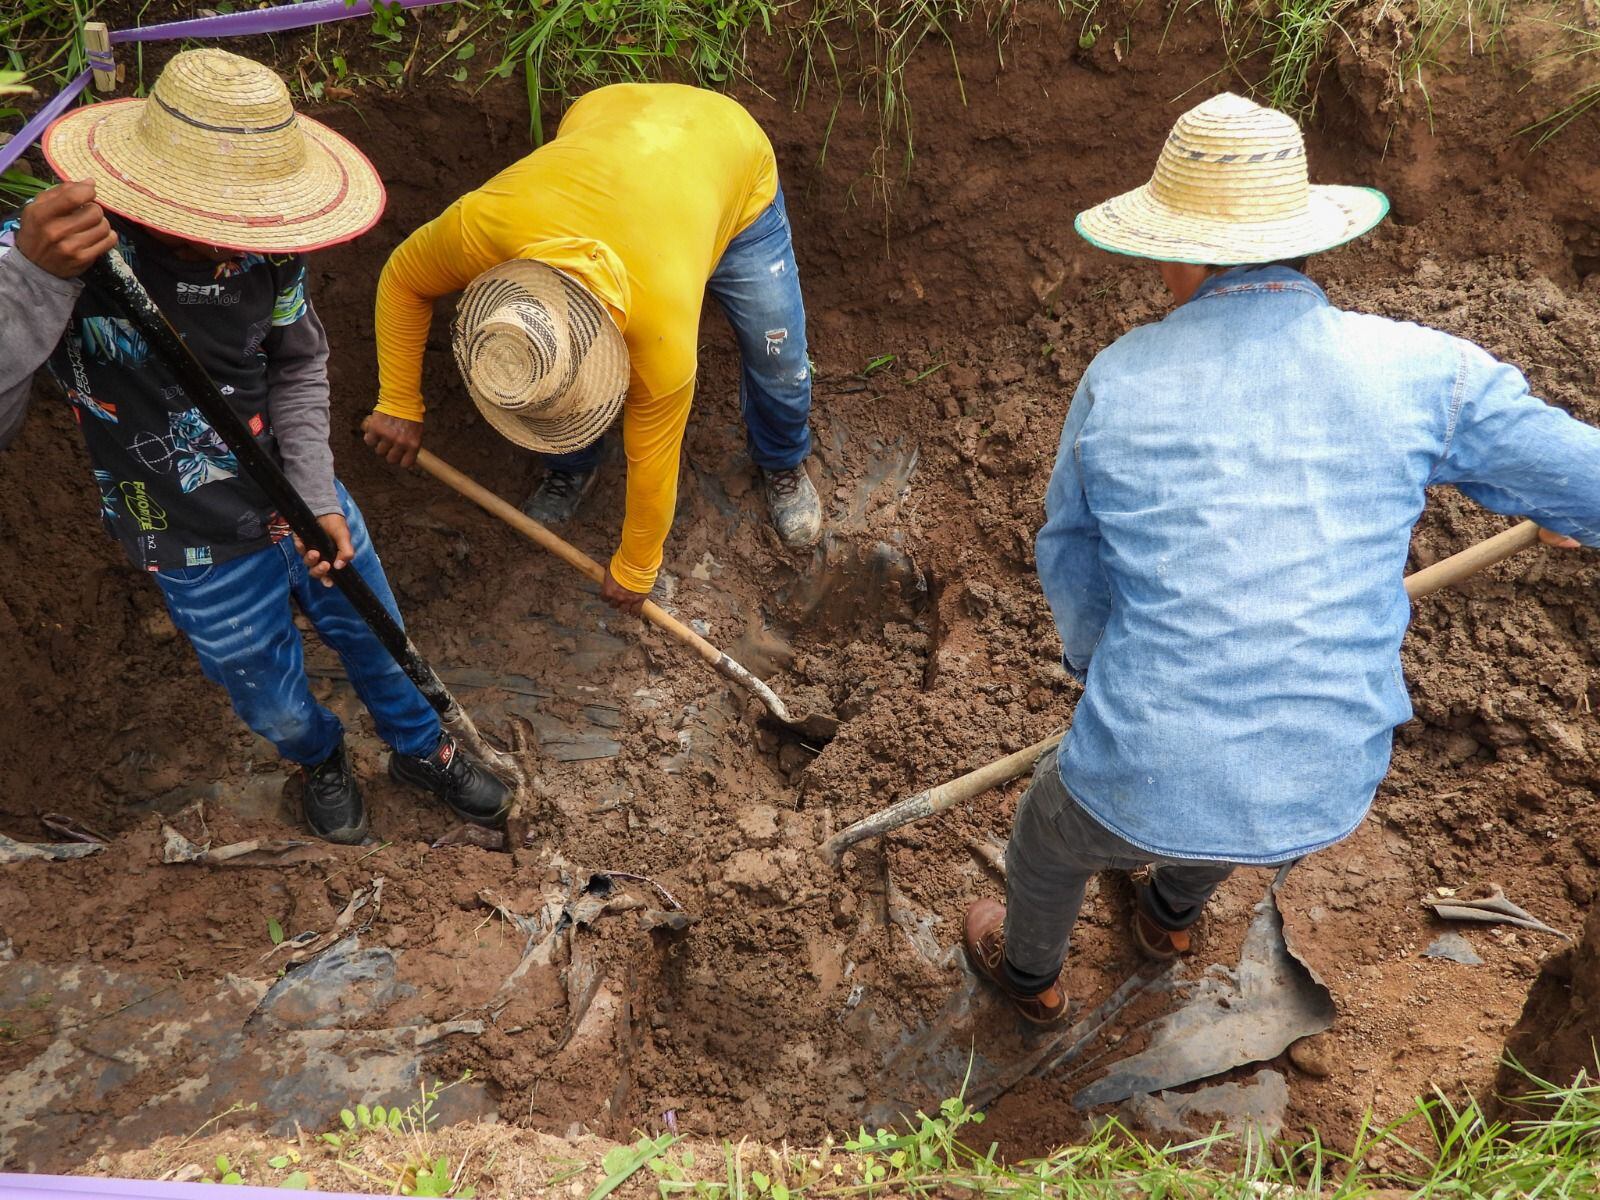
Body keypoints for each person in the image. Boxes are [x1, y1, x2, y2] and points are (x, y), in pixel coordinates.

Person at [962, 92, 1600, 1025]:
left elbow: (1072, 554)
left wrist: (1103, 672)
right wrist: (1557, 510)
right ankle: (1171, 917)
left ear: (1178, 252)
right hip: (1326, 783)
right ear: (1310, 240)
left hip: (1139, 767)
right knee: (1232, 782)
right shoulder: (1427, 369)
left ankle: (1029, 978)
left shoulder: (1122, 377)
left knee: (1050, 838)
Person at [0, 49, 510, 844]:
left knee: (377, 633)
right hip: (189, 535)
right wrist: (32, 282)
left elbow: (298, 363)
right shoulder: (60, 255)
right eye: (215, 224)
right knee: (267, 694)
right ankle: (319, 759)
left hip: (299, 495)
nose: (235, 243)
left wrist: (314, 493)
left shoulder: (272, 247)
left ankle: (425, 749)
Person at [363, 82, 822, 615]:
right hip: (608, 118)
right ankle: (572, 461)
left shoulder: (661, 334)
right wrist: (397, 400)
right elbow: (402, 279)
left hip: (730, 163)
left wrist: (637, 566)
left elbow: (655, 456)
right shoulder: (485, 226)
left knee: (779, 361)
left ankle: (783, 459)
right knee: (547, 388)